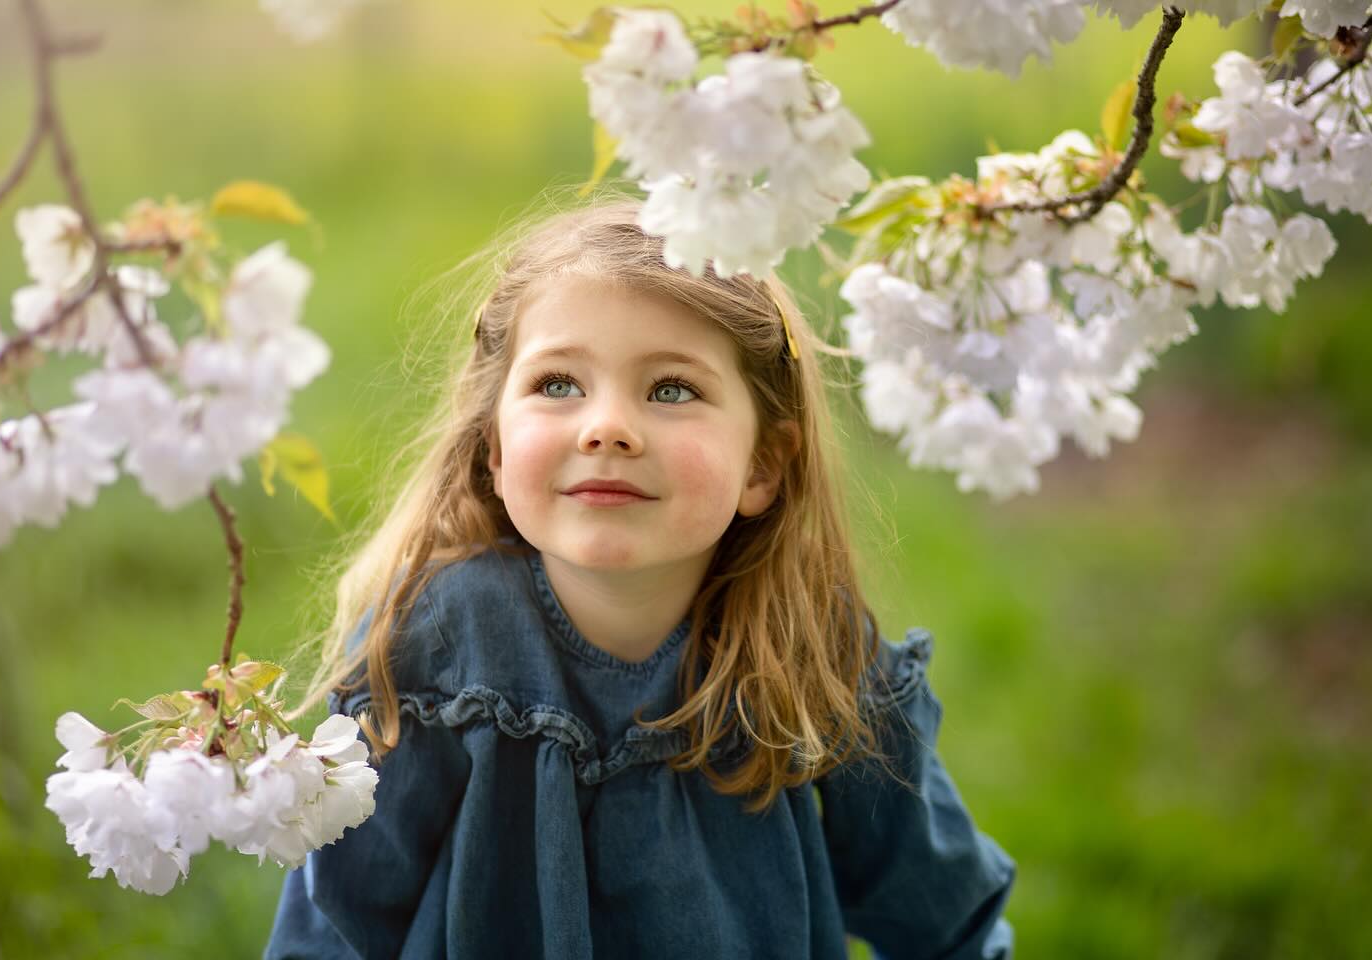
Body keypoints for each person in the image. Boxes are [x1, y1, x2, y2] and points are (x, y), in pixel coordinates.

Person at [263, 197, 1015, 959]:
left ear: (763, 464)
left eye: (671, 389)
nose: (606, 426)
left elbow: (944, 914)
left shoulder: (813, 650)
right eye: (559, 384)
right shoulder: (435, 643)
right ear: (494, 449)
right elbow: (334, 927)